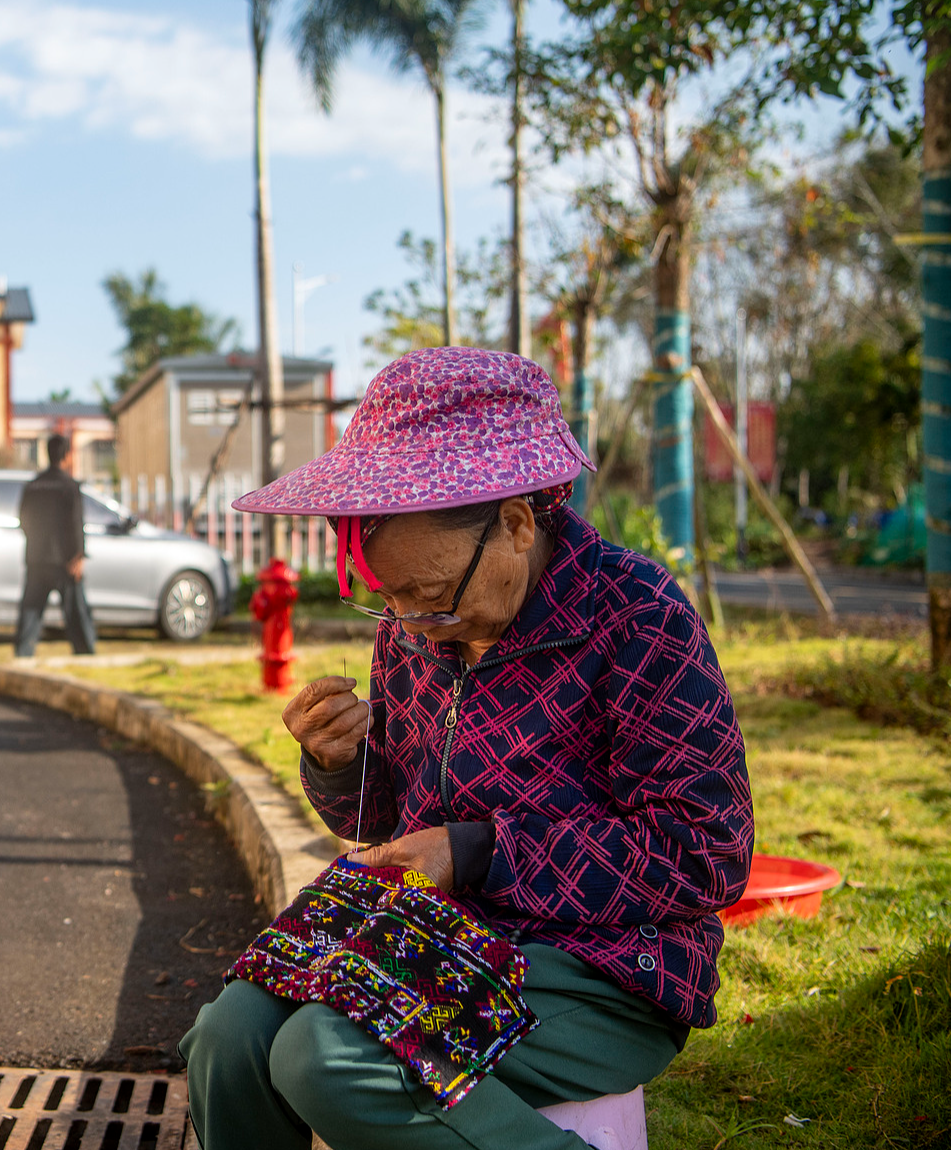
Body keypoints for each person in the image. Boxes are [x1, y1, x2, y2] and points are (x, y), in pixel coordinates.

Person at [180, 347, 751, 1150]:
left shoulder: (638, 617)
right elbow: (385, 816)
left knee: (329, 1060)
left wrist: (479, 853)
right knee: (228, 1038)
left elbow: (704, 852)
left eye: (429, 595)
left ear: (516, 523)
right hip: (433, 936)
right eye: (390, 600)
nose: (412, 625)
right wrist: (337, 762)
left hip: (608, 969)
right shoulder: (420, 630)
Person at [14, 433, 96, 657]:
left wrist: (37, 543)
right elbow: (75, 523)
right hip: (65, 561)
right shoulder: (69, 486)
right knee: (76, 613)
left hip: (37, 559)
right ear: (67, 456)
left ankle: (23, 655)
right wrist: (78, 556)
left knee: (31, 612)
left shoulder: (33, 486)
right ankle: (85, 654)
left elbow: (23, 520)